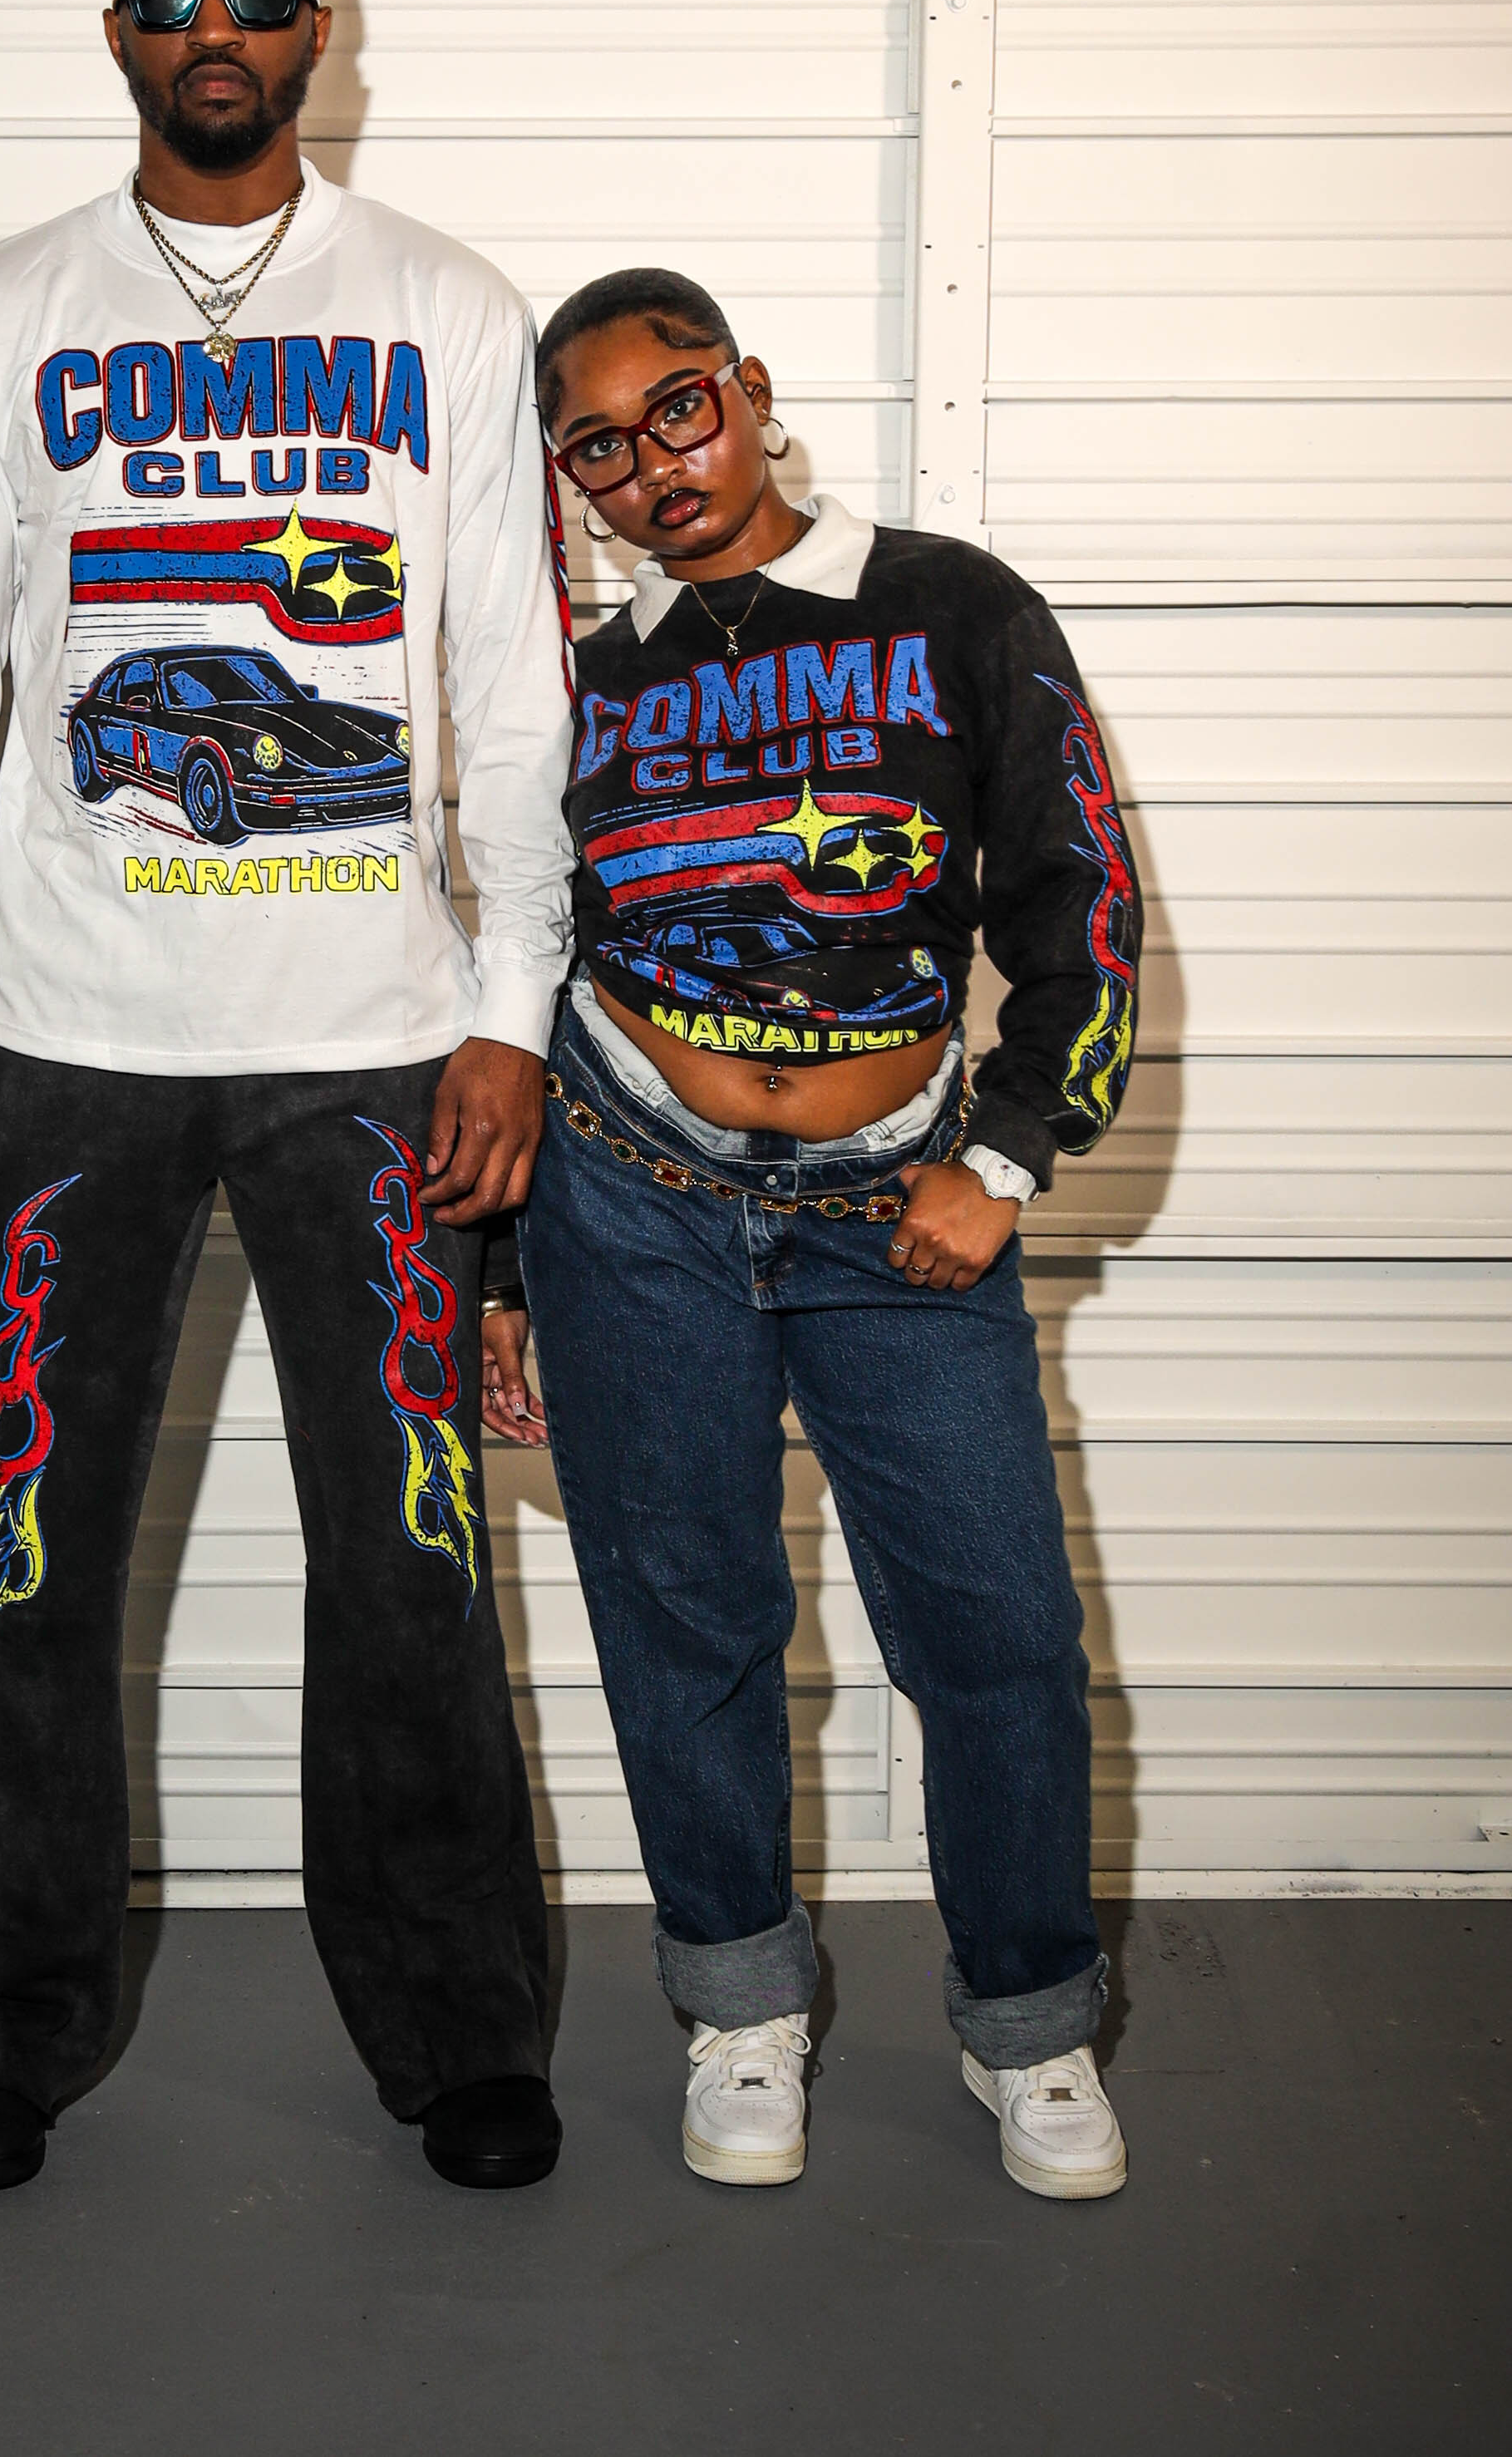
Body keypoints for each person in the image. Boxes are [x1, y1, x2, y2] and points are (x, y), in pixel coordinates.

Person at [0, 0, 574, 2196]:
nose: (219, 24)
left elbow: (514, 687)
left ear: (318, 18)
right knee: (26, 1559)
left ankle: (459, 2027)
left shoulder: (448, 311)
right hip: (63, 1047)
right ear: (115, 28)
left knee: (413, 1562)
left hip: (378, 1045)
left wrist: (511, 1003)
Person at [490, 266, 1140, 2203]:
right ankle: (740, 2008)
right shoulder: (571, 678)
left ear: (748, 389)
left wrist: (1005, 1155)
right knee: (686, 1623)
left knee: (998, 1629)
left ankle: (1030, 2022)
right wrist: (499, 1266)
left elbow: (1079, 895)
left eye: (678, 408)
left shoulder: (950, 606)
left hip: (900, 1204)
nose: (651, 466)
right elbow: (509, 962)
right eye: (597, 446)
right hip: (630, 1195)